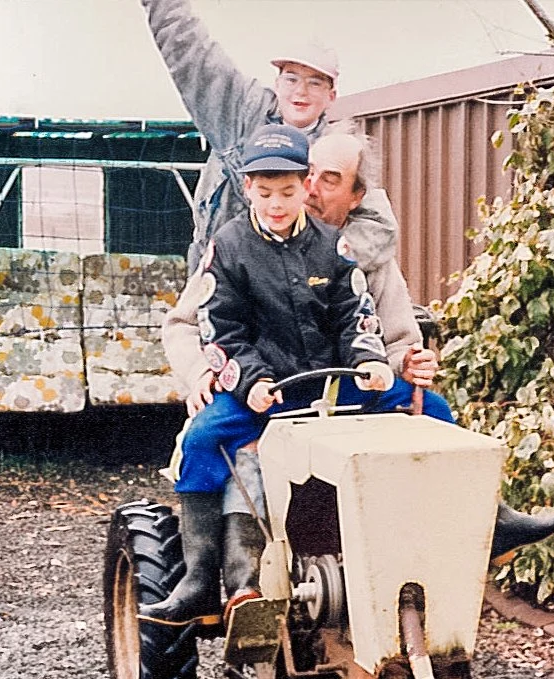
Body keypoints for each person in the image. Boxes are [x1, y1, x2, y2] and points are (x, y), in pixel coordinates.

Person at [140, 125, 404, 629]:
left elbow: (356, 313)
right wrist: (250, 382)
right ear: (247, 190)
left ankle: (491, 523)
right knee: (201, 438)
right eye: (264, 193)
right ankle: (198, 578)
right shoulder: (229, 247)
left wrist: (370, 359)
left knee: (427, 409)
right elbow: (223, 329)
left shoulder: (335, 247)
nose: (277, 204)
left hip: (331, 387)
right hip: (265, 391)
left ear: (305, 186)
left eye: (287, 192)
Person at [138, 0, 396, 273]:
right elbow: (189, 50)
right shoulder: (240, 112)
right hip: (218, 275)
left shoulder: (339, 151)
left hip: (294, 289)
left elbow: (379, 226)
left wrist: (320, 263)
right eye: (292, 79)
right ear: (276, 83)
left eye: (315, 82)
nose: (301, 92)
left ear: (331, 96)